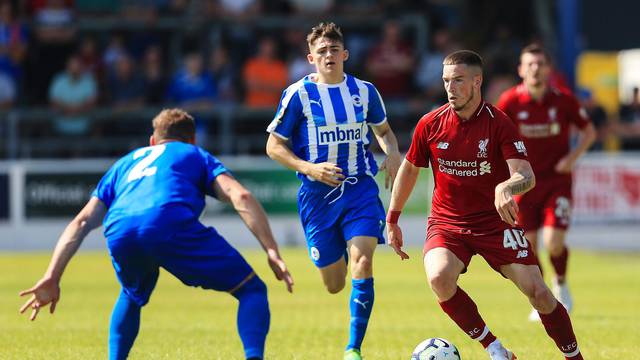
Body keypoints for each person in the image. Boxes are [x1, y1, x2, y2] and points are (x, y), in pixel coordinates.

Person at [19, 109, 294, 360]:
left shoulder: (125, 164)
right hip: (168, 223)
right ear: (192, 140)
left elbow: (81, 222)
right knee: (252, 289)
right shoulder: (193, 154)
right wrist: (271, 250)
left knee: (130, 293)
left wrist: (53, 276)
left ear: (153, 140)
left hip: (119, 230)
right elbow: (241, 195)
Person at [387, 50, 583, 360]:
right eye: (446, 81)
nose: (451, 88)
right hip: (447, 223)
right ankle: (495, 349)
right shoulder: (431, 123)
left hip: (495, 224)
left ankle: (574, 357)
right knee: (438, 277)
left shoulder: (498, 123)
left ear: (477, 81)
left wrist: (507, 186)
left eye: (459, 81)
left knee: (540, 294)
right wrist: (393, 217)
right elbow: (410, 169)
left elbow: (525, 175)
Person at [265, 22, 402, 360]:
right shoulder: (298, 94)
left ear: (345, 54)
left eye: (333, 50)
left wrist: (393, 153)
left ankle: (353, 348)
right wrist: (310, 168)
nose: (328, 55)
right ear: (311, 58)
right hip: (317, 197)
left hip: (359, 190)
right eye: (321, 51)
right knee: (334, 284)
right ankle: (338, 249)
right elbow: (273, 146)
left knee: (364, 261)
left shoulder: (365, 91)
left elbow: (383, 131)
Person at [496, 44, 596, 320]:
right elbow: (495, 135)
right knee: (527, 244)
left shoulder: (564, 100)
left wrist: (572, 158)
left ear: (548, 69)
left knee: (553, 241)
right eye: (529, 64)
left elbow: (589, 131)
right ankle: (542, 297)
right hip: (523, 184)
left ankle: (561, 285)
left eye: (540, 63)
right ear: (520, 69)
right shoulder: (510, 102)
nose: (535, 69)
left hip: (556, 182)